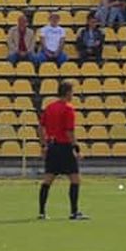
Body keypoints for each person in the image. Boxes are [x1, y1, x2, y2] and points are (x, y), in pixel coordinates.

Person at [39, 81, 88, 220]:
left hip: (52, 146)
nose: (73, 95)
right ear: (67, 93)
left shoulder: (49, 107)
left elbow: (40, 128)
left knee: (48, 179)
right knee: (75, 179)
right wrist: (76, 148)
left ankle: (42, 212)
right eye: (72, 92)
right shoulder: (68, 109)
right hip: (64, 147)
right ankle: (74, 212)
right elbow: (69, 131)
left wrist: (44, 145)